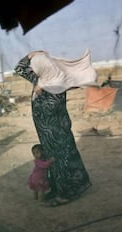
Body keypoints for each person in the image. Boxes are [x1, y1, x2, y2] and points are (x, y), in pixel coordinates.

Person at [14, 50, 98, 207]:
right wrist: (33, 54)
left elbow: (49, 109)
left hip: (58, 134)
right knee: (55, 163)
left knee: (62, 163)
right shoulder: (41, 79)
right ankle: (57, 189)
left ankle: (65, 194)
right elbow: (19, 68)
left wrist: (41, 87)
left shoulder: (56, 85)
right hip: (47, 135)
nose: (34, 70)